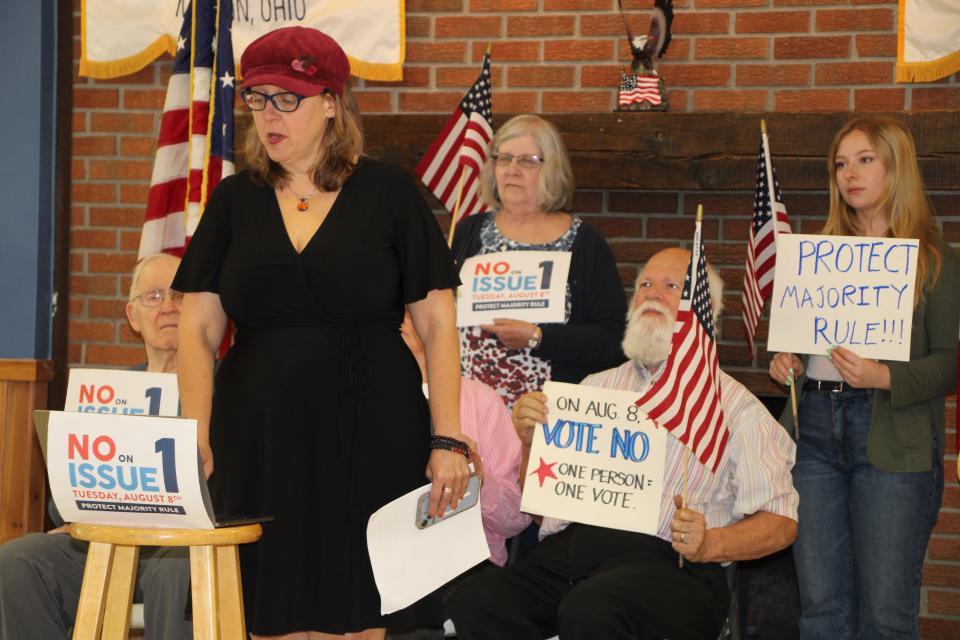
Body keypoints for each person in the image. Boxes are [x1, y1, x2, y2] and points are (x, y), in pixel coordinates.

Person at [172, 27, 469, 639]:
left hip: (370, 425)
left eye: (289, 98)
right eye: (257, 99)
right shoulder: (233, 200)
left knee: (360, 610)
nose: (268, 115)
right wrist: (196, 433)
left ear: (332, 101)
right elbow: (198, 331)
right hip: (258, 431)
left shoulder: (389, 192)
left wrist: (449, 438)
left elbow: (438, 323)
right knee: (262, 610)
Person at [447, 247, 799, 640]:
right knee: (476, 601)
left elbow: (781, 522)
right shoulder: (593, 389)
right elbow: (540, 513)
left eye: (671, 286)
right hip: (569, 553)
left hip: (672, 565)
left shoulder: (736, 407)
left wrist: (711, 543)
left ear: (705, 308)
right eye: (645, 284)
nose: (652, 293)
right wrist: (530, 444)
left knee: (591, 610)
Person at [768, 115, 960, 640]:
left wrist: (884, 376)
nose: (849, 174)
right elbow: (798, 350)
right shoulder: (817, 257)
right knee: (821, 610)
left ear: (897, 168)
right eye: (840, 164)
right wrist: (787, 364)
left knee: (886, 617)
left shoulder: (937, 262)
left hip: (893, 442)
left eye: (865, 160)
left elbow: (950, 364)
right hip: (813, 436)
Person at [0, 253, 192, 640]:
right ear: (132, 316)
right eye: (154, 297)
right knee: (18, 561)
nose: (168, 307)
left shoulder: (228, 390)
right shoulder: (108, 394)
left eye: (179, 295)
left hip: (180, 548)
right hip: (103, 546)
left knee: (180, 571)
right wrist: (75, 511)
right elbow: (62, 504)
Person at [452, 114, 626, 408]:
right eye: (504, 158)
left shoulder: (584, 242)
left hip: (547, 421)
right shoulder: (468, 231)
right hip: (470, 415)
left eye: (527, 160)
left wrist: (538, 337)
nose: (512, 170)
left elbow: (613, 341)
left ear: (553, 169)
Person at [387, 311, 531, 639]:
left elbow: (517, 519)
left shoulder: (478, 400)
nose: (397, 322)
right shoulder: (361, 403)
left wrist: (479, 480)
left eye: (408, 312)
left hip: (465, 562)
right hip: (386, 558)